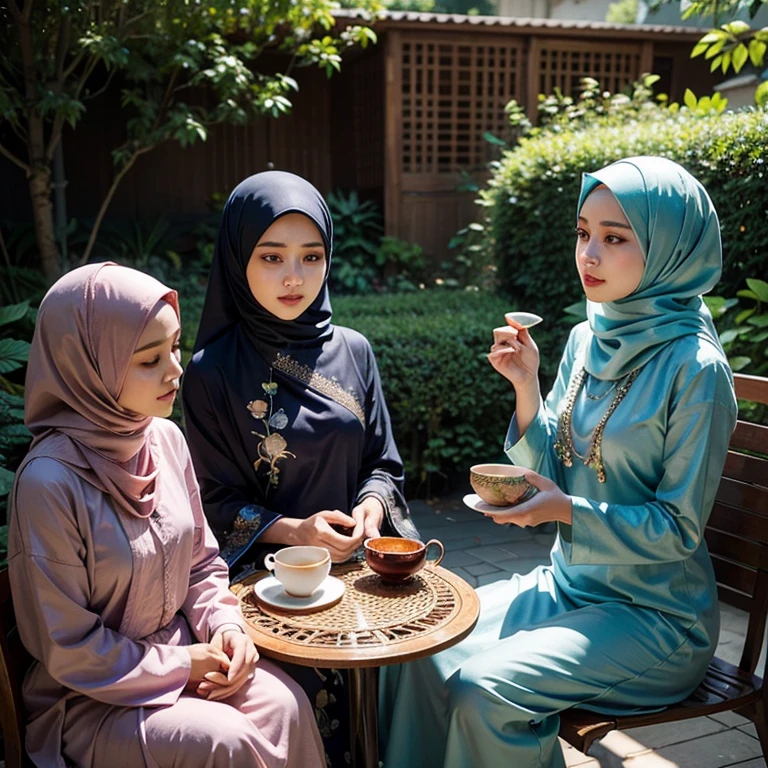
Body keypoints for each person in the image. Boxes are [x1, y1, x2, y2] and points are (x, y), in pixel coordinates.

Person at [378, 156, 738, 768]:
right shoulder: (583, 337)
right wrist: (526, 386)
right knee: (416, 646)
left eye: (615, 238)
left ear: (671, 249)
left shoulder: (696, 370)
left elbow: (678, 531)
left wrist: (568, 510)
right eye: (583, 232)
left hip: (657, 619)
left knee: (482, 692)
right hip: (570, 586)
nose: (589, 254)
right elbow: (554, 465)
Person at [7, 263, 325, 768]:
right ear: (91, 368)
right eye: (149, 359)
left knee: (285, 706)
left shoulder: (164, 440)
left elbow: (200, 564)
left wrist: (226, 629)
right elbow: (67, 647)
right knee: (225, 743)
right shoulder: (49, 483)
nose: (175, 370)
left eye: (174, 347)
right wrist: (180, 665)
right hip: (91, 701)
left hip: (186, 655)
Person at [181, 169, 418, 761]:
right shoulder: (211, 372)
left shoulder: (355, 351)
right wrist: (295, 533)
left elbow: (383, 465)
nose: (295, 277)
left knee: (414, 692)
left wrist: (368, 508)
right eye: (271, 257)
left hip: (362, 572)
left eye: (312, 256)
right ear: (238, 260)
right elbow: (210, 501)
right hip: (267, 585)